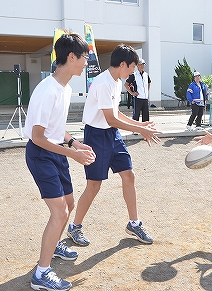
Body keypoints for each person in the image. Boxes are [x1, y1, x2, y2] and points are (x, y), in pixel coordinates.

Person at [67, 44, 162, 247]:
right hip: (96, 136)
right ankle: (74, 227)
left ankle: (134, 223)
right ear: (122, 64)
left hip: (112, 135)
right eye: (132, 68)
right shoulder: (103, 83)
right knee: (94, 185)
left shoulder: (117, 81)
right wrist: (140, 131)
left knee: (129, 175)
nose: (133, 72)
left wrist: (140, 124)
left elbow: (116, 113)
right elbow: (110, 119)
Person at [24, 33, 96, 291]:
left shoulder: (64, 88)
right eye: (85, 57)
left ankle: (54, 246)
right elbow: (38, 137)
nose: (87, 62)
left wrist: (74, 143)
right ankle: (41, 275)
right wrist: (74, 155)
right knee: (60, 212)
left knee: (69, 203)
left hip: (55, 151)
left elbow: (57, 129)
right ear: (72, 57)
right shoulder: (48, 91)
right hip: (41, 154)